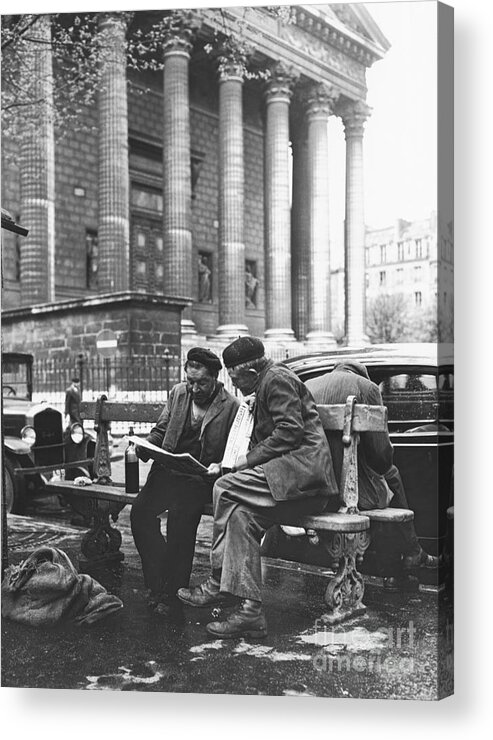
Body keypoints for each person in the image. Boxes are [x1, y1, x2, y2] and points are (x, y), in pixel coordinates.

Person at [178, 336, 338, 638]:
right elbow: (265, 438)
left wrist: (245, 462)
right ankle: (251, 614)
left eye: (237, 379)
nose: (236, 387)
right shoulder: (265, 384)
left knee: (225, 488)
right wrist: (227, 463)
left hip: (305, 478)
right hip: (287, 480)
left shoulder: (276, 379)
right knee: (240, 518)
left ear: (251, 373)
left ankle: (217, 581)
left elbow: (290, 432)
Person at [130, 347, 239, 615]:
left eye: (201, 382)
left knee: (180, 520)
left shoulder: (231, 406)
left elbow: (235, 450)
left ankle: (172, 593)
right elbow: (161, 429)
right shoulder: (178, 393)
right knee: (140, 513)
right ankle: (158, 581)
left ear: (215, 377)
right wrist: (146, 446)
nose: (194, 388)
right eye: (190, 381)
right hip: (168, 470)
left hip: (200, 478)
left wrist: (220, 467)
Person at [304, 361, 439, 573]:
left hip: (316, 491)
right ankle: (410, 554)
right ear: (362, 375)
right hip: (350, 495)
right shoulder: (367, 388)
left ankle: (409, 555)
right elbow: (381, 456)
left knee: (384, 483)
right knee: (390, 476)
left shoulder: (309, 386)